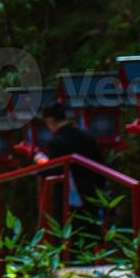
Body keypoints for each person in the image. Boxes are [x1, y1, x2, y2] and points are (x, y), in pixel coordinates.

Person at [34, 102, 106, 250]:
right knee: (89, 232)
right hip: (91, 192)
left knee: (68, 232)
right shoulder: (86, 135)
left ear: (50, 121)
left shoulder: (57, 142)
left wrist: (41, 164)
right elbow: (100, 164)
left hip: (69, 195)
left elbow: (55, 171)